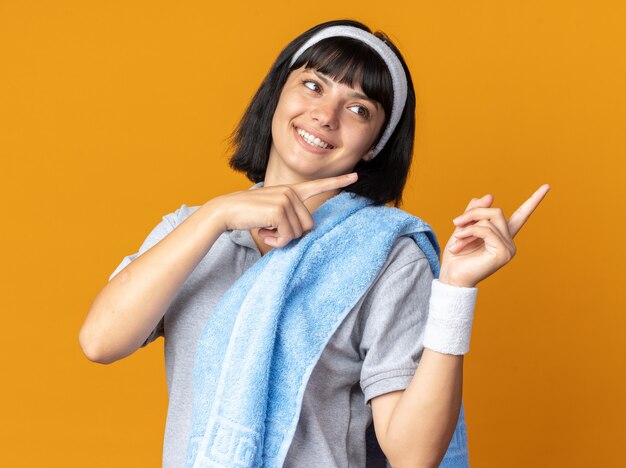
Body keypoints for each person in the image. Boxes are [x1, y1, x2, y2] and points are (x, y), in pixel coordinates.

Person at [79, 19, 550, 467]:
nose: (325, 115)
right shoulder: (194, 232)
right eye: (313, 85)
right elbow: (100, 341)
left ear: (373, 145)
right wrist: (217, 215)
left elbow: (413, 456)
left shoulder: (385, 256)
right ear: (277, 94)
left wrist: (455, 291)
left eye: (358, 108)